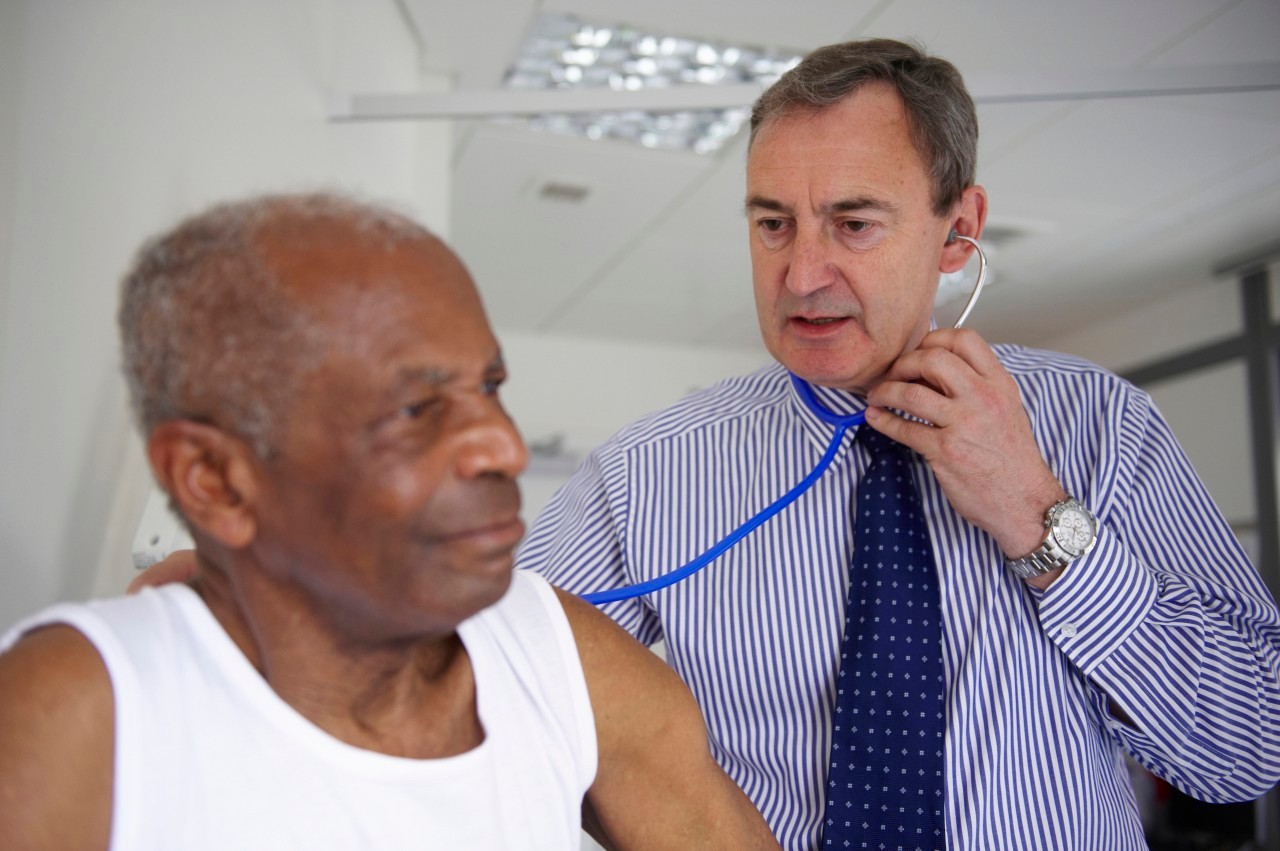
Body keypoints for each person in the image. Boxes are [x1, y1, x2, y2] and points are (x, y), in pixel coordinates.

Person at [516, 38, 1280, 851]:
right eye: (774, 223)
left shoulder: (1099, 423)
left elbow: (1246, 748)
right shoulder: (648, 472)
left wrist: (1036, 514)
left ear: (959, 232)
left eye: (853, 223)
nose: (803, 273)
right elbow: (490, 694)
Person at [0, 194, 782, 851]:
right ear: (217, 483)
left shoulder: (557, 656)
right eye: (415, 408)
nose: (503, 445)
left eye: (491, 386)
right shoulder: (76, 713)